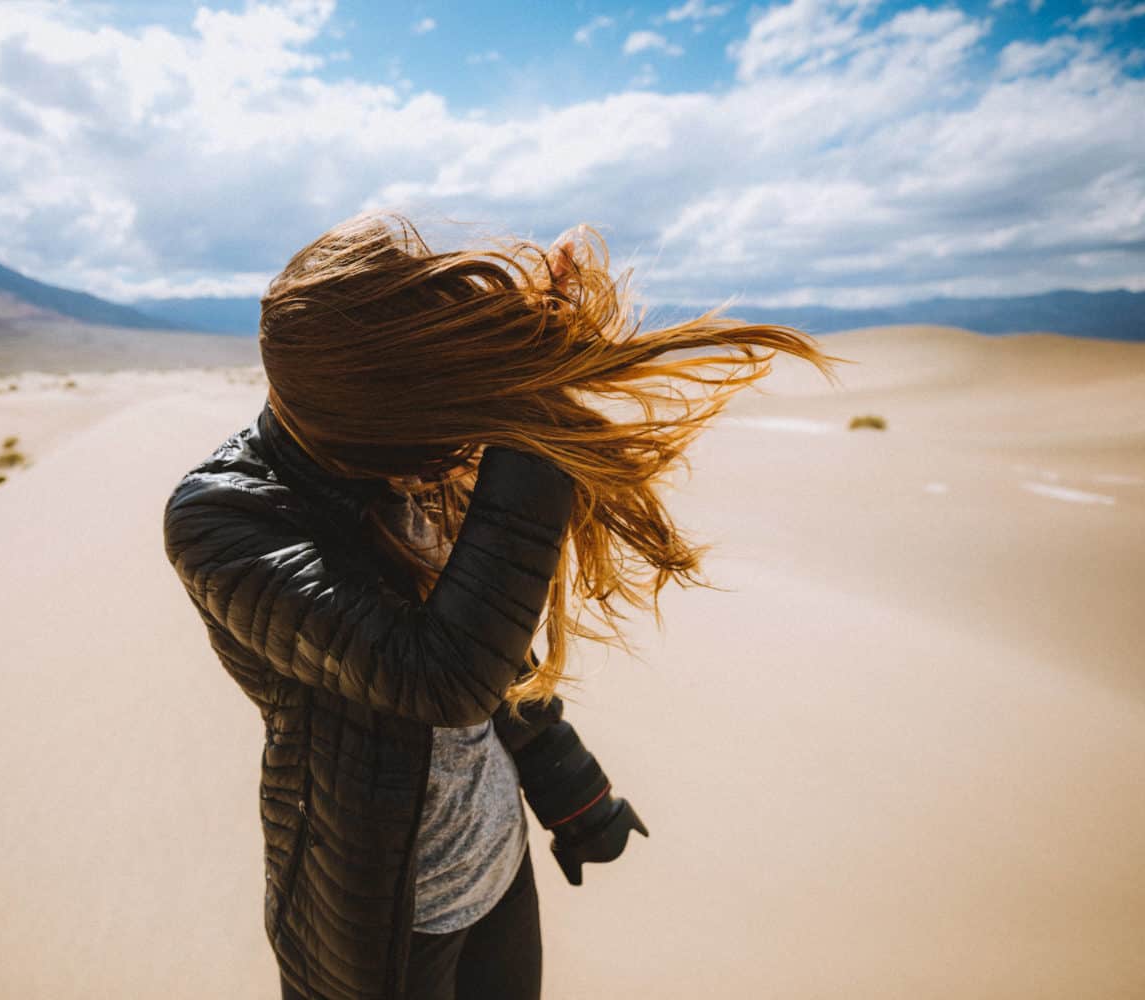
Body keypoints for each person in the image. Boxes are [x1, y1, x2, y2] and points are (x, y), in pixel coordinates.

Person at [163, 212, 846, 1000]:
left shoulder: (385, 464)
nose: (449, 435)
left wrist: (575, 794)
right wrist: (533, 412)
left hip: (497, 868)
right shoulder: (224, 520)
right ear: (357, 408)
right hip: (384, 919)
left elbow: (500, 658)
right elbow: (445, 674)